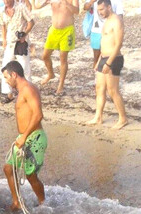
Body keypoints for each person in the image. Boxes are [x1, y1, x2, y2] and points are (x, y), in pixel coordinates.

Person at [1, 61, 47, 210]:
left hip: (34, 138)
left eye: (7, 77)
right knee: (8, 168)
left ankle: (43, 204)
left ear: (14, 74)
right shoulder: (21, 91)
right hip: (25, 137)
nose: (6, 81)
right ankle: (17, 202)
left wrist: (24, 136)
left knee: (31, 175)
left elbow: (38, 115)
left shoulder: (28, 89)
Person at [85, 0, 127, 130]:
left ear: (109, 7)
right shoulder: (107, 20)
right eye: (98, 10)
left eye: (102, 9)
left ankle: (123, 118)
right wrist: (99, 60)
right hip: (103, 58)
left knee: (113, 90)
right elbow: (104, 41)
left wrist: (108, 62)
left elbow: (118, 44)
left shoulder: (116, 20)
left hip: (113, 59)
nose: (100, 13)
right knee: (100, 88)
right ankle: (98, 117)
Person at [34, 0, 79, 95]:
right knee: (45, 56)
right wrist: (44, 2)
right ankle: (51, 74)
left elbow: (77, 11)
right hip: (54, 30)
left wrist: (66, 4)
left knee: (63, 58)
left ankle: (61, 84)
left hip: (67, 31)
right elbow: (37, 7)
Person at [0, 0, 35, 103]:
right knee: (5, 68)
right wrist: (4, 39)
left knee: (24, 68)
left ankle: (28, 93)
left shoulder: (21, 7)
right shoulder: (1, 10)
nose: (5, 1)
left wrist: (24, 34)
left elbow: (31, 22)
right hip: (10, 42)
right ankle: (9, 94)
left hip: (20, 43)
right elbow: (3, 26)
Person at [83, 0, 123, 68]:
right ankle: (97, 73)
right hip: (96, 31)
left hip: (110, 31)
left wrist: (118, 30)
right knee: (96, 57)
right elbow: (85, 8)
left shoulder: (117, 1)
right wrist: (91, 2)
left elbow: (120, 15)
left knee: (111, 53)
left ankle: (110, 70)